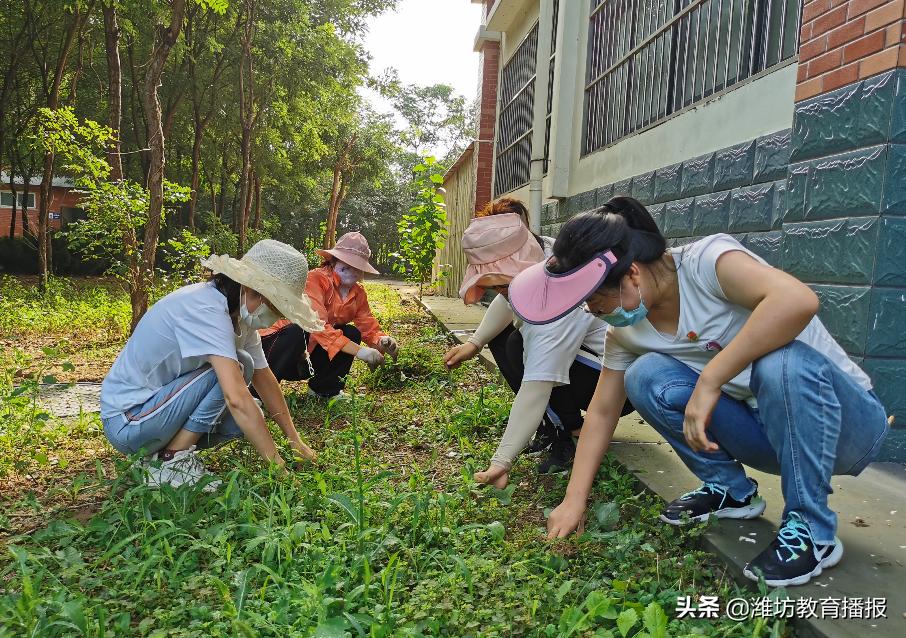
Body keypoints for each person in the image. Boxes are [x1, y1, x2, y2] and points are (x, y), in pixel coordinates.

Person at [510, 196, 889, 587]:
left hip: (844, 428)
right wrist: (574, 499)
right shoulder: (626, 332)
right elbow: (603, 412)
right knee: (645, 375)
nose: (590, 310)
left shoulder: (708, 261)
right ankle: (731, 491)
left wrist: (711, 380)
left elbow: (798, 300)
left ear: (632, 275)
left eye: (594, 298)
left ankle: (813, 529)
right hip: (770, 434)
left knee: (780, 362)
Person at [100, 239, 325, 491]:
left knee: (249, 415)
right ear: (252, 292)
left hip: (155, 413)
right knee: (239, 376)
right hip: (128, 421)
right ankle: (171, 459)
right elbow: (236, 397)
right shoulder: (206, 308)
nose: (276, 317)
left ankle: (158, 459)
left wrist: (294, 440)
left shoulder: (239, 318)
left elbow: (265, 379)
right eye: (275, 307)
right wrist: (279, 469)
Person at [443, 203, 632, 482]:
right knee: (509, 340)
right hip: (597, 363)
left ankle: (566, 432)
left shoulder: (560, 292)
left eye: (500, 286)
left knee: (518, 346)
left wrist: (501, 461)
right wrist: (475, 343)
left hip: (616, 381)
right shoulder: (545, 255)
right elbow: (510, 299)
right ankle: (556, 423)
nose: (502, 294)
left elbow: (537, 384)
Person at [259, 231, 398, 398]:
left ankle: (324, 389)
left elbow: (367, 324)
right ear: (334, 261)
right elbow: (316, 325)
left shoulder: (358, 292)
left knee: (351, 333)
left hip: (308, 357)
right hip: (278, 349)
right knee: (298, 330)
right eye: (347, 264)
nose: (352, 270)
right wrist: (361, 352)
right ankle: (257, 392)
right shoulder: (315, 279)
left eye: (357, 266)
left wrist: (381, 341)